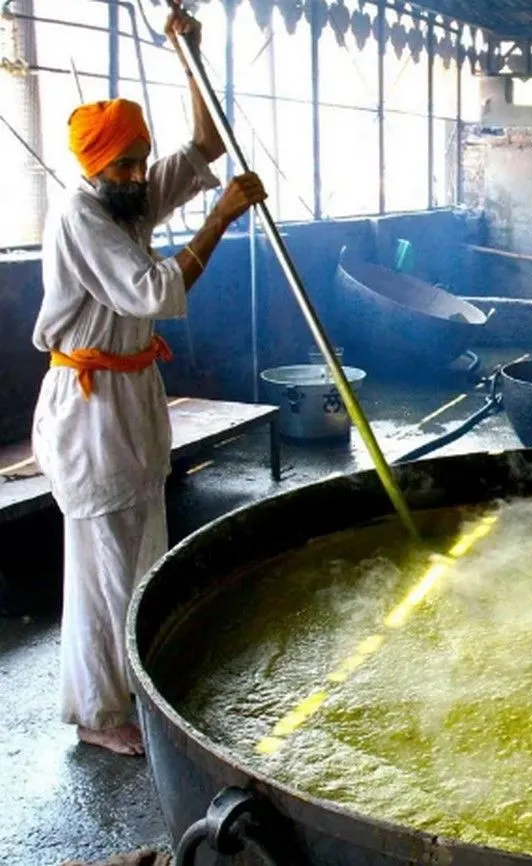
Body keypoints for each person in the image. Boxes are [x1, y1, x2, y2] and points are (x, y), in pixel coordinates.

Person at [30, 8, 266, 756]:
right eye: (122, 166)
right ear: (91, 169)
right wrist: (221, 217)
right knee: (101, 566)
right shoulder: (84, 217)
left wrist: (188, 53)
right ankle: (98, 715)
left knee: (142, 548)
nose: (137, 175)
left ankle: (131, 681)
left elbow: (205, 146)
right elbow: (157, 291)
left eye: (140, 160)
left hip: (132, 396)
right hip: (90, 409)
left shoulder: (128, 203)